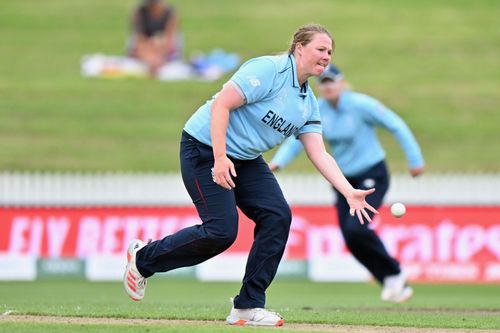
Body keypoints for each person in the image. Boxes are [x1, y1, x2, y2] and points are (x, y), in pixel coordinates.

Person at [123, 24, 378, 327]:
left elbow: (318, 152)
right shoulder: (269, 70)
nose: (326, 56)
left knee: (277, 215)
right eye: (320, 49)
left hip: (244, 159)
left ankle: (247, 306)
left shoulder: (307, 102)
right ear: (299, 48)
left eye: (330, 52)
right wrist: (219, 158)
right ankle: (144, 259)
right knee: (221, 232)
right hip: (203, 148)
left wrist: (348, 191)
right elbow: (221, 105)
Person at [269, 64, 425, 303]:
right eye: (323, 82)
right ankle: (392, 280)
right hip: (343, 181)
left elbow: (396, 125)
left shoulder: (361, 105)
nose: (328, 86)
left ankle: (394, 273)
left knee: (356, 228)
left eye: (332, 81)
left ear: (341, 83)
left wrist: (415, 160)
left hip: (372, 174)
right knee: (350, 237)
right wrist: (278, 163)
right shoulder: (316, 109)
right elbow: (298, 140)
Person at [127, 0, 182, 74]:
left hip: (162, 48)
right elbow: (140, 41)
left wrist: (159, 58)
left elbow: (170, 40)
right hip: (146, 48)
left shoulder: (170, 13)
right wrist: (149, 59)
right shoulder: (139, 12)